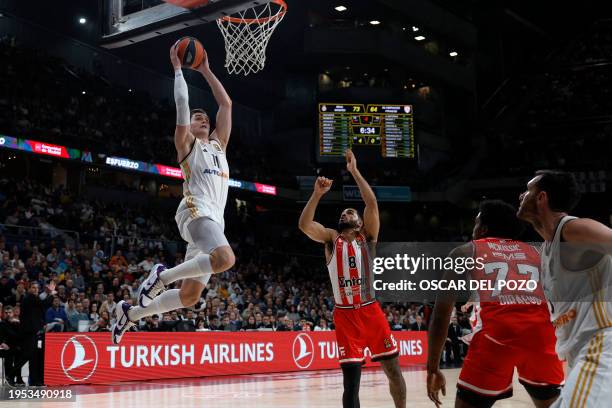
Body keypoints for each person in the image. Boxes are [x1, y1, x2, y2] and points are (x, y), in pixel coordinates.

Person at [112, 39, 235, 343]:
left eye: (205, 118)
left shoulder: (219, 146)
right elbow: (182, 106)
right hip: (195, 211)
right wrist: (178, 69)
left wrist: (206, 69)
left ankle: (130, 313)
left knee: (191, 295)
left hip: (213, 221)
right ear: (188, 128)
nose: (203, 119)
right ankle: (161, 277)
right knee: (225, 259)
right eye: (197, 118)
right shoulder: (187, 145)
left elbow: (226, 105)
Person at [427, 200, 564, 408]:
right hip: (540, 337)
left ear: (483, 228)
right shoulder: (537, 252)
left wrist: (433, 368)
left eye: (475, 223)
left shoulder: (465, 251)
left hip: (497, 336)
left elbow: (441, 315)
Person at [299, 150, 406, 408]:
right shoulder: (330, 239)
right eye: (344, 213)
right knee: (351, 384)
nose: (346, 214)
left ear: (359, 223)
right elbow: (304, 225)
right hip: (345, 314)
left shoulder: (367, 238)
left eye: (350, 212)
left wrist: (354, 172)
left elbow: (371, 204)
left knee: (393, 371)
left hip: (370, 310)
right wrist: (317, 194)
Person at [517, 170, 612, 407]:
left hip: (602, 346)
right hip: (579, 355)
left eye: (528, 190)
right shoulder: (548, 248)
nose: (521, 195)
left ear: (542, 198)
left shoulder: (573, 230)